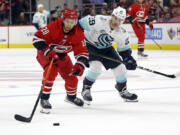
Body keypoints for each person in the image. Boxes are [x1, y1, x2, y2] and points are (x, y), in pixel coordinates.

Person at [33, 8, 89, 113]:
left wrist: (80, 65)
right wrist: (48, 51)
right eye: (67, 21)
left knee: (72, 77)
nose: (69, 24)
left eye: (72, 22)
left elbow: (82, 52)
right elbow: (37, 39)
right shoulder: (53, 26)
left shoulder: (78, 33)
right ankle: (44, 98)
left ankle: (71, 97)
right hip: (46, 54)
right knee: (51, 71)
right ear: (63, 19)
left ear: (76, 22)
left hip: (62, 56)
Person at [79, 6, 138, 104]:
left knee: (121, 68)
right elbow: (79, 24)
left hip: (106, 48)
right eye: (115, 18)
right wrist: (76, 40)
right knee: (96, 67)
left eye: (120, 20)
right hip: (90, 45)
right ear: (112, 16)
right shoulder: (99, 20)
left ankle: (122, 90)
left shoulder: (122, 33)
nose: (116, 22)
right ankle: (86, 89)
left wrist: (128, 59)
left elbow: (124, 50)